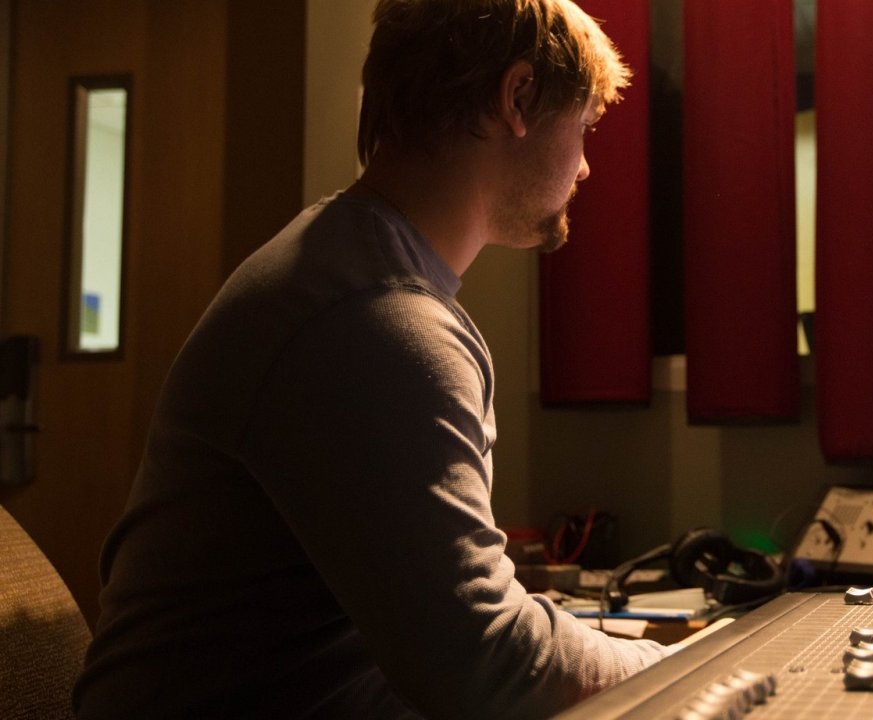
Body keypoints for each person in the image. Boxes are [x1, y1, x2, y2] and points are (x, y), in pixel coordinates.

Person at [72, 1, 668, 717]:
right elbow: (484, 663)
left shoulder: (345, 271)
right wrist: (678, 661)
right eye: (586, 126)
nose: (586, 164)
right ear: (517, 99)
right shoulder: (373, 318)